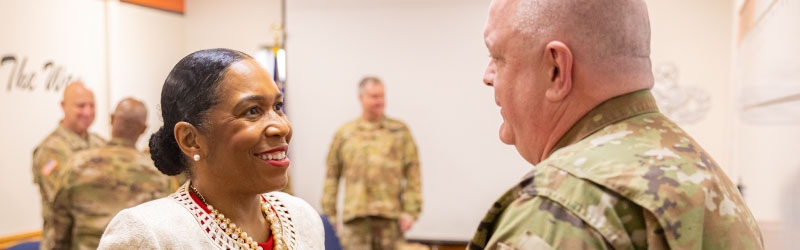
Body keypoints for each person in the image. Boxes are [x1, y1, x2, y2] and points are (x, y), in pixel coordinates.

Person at [469, 0, 764, 249]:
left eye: (498, 57)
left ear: (556, 70)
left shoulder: (560, 207)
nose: (488, 75)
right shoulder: (706, 177)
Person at [97, 48, 324, 249]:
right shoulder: (149, 234)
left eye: (278, 106)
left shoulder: (301, 217)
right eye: (252, 111)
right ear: (190, 139)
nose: (281, 127)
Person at [46, 97, 172, 250]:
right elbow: (166, 232)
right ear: (144, 129)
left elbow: (58, 235)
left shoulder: (76, 166)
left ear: (112, 119)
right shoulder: (158, 174)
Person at [322, 76, 422, 250]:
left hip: (389, 219)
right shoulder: (345, 134)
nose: (380, 101)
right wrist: (330, 215)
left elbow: (413, 172)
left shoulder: (399, 131)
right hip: (355, 220)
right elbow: (332, 176)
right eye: (374, 97)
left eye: (382, 96)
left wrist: (411, 211)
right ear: (361, 98)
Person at [32, 81, 106, 249]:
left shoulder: (100, 143)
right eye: (80, 106)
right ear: (63, 106)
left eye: (92, 106)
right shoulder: (50, 150)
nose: (87, 112)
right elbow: (68, 198)